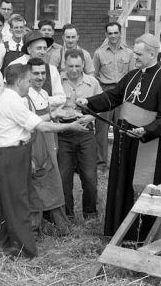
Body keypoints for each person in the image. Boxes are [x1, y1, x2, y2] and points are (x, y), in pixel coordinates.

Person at [77, 33, 161, 240]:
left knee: (143, 190)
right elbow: (112, 96)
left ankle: (144, 237)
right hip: (125, 144)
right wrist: (88, 102)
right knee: (122, 186)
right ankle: (120, 233)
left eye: (139, 54)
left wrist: (146, 130)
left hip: (148, 146)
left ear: (152, 54)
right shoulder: (132, 75)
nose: (135, 57)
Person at [0, 64, 88, 258]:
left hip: (14, 154)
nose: (30, 84)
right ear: (19, 82)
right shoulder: (12, 102)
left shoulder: (14, 98)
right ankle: (23, 250)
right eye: (28, 80)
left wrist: (56, 115)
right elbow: (41, 127)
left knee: (15, 202)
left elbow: (34, 120)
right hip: (9, 156)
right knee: (17, 204)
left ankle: (8, 244)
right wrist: (71, 127)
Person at [25, 58, 71, 235]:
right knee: (37, 182)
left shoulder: (44, 93)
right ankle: (33, 227)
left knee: (53, 181)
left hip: (50, 142)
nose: (40, 77)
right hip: (36, 145)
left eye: (43, 73)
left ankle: (59, 224)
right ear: (28, 74)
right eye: (36, 73)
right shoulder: (26, 96)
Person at [59, 50, 101, 219]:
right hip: (64, 132)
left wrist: (90, 116)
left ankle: (90, 213)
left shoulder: (93, 83)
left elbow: (102, 107)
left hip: (85, 132)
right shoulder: (57, 81)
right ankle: (66, 215)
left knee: (90, 177)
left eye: (77, 66)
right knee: (63, 177)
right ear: (65, 65)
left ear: (83, 64)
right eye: (70, 66)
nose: (74, 70)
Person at [92, 22, 135, 167]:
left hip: (123, 94)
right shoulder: (99, 53)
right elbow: (94, 76)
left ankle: (120, 161)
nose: (113, 36)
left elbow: (133, 76)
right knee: (101, 129)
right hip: (106, 93)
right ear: (106, 35)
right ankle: (101, 162)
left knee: (122, 128)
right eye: (110, 33)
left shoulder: (129, 53)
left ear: (120, 33)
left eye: (116, 33)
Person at [7, 31, 66, 107]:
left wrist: (42, 100)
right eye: (39, 48)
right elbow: (9, 96)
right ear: (29, 50)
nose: (42, 52)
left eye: (45, 48)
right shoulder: (15, 66)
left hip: (46, 115)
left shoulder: (51, 69)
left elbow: (61, 98)